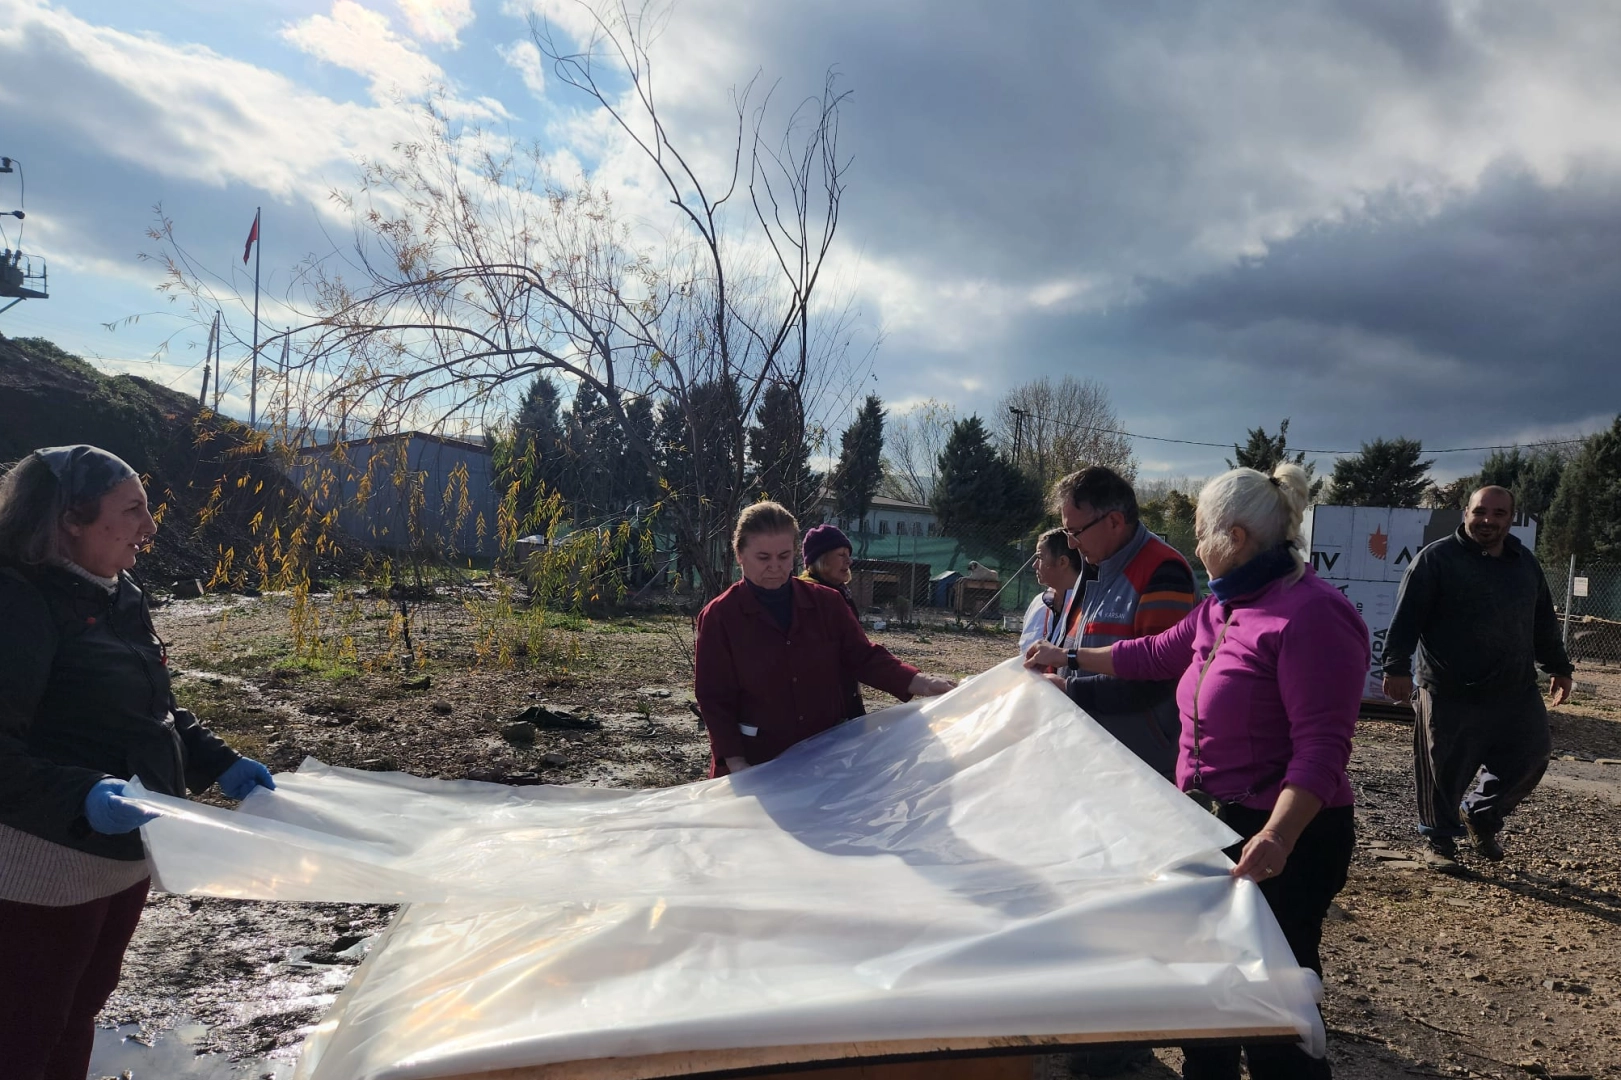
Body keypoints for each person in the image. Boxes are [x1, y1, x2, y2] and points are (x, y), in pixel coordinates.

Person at [1030, 464, 1366, 1080]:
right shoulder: (1224, 606)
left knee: (1271, 1006)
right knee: (1206, 995)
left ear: (1234, 539)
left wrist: (1280, 834)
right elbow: (1154, 652)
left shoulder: (1312, 616)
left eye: (1202, 532)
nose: (1194, 545)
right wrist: (1068, 655)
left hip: (1282, 834)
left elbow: (1322, 747)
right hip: (1210, 824)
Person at [0, 445, 277, 1080]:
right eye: (133, 511)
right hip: (41, 867)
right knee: (22, 1029)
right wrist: (83, 795)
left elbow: (152, 709)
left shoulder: (117, 590)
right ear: (72, 517)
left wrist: (218, 761)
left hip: (120, 855)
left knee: (78, 1014)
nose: (150, 528)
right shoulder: (18, 604)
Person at [1381, 485, 1573, 871]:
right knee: (1444, 769)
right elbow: (1406, 619)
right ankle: (1439, 843)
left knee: (1530, 756)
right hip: (1450, 688)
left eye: (1499, 513)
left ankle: (1481, 816)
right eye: (1480, 511)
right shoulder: (1436, 559)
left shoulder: (1524, 563)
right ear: (1465, 512)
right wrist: (1395, 667)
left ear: (1510, 518)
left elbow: (1542, 622)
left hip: (1514, 688)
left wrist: (1559, 667)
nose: (1488, 520)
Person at [695, 501, 956, 777]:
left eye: (784, 556)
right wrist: (735, 762)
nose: (774, 566)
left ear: (796, 553)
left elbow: (863, 657)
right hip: (756, 763)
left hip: (826, 758)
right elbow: (714, 697)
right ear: (739, 554)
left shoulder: (826, 604)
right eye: (763, 557)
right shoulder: (720, 616)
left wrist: (922, 682)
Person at [1023, 466, 1197, 778]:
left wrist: (1070, 690)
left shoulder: (1163, 571)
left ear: (1114, 521)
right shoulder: (1094, 565)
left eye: (1075, 532)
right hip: (1088, 755)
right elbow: (1072, 647)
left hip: (1139, 766)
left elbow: (1156, 679)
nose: (1072, 544)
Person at [801, 522, 866, 717]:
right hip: (821, 700)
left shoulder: (840, 592)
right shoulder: (808, 596)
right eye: (841, 555)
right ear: (820, 559)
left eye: (849, 555)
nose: (849, 562)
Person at [1018, 528, 1085, 656]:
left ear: (1062, 562)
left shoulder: (1089, 607)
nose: (1034, 565)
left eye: (1040, 557)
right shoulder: (1039, 603)